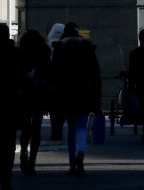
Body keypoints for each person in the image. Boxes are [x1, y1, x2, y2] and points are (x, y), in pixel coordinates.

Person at [51, 22, 101, 176]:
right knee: (81, 127)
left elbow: (54, 75)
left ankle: (72, 161)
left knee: (71, 127)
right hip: (84, 93)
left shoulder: (59, 49)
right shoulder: (87, 48)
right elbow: (95, 75)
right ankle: (81, 154)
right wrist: (96, 96)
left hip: (66, 94)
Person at [18, 29, 52, 176]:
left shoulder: (20, 52)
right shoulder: (44, 52)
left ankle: (24, 150)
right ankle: (32, 161)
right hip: (39, 94)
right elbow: (50, 73)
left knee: (25, 126)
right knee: (36, 128)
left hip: (24, 94)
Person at [1, 23, 25, 190]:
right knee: (8, 144)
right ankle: (6, 178)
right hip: (10, 105)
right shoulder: (14, 54)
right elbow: (21, 78)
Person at [46, 23, 65, 141]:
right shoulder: (64, 46)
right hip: (62, 82)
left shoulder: (48, 46)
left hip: (51, 83)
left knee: (53, 110)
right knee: (61, 110)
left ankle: (55, 131)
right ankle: (59, 131)